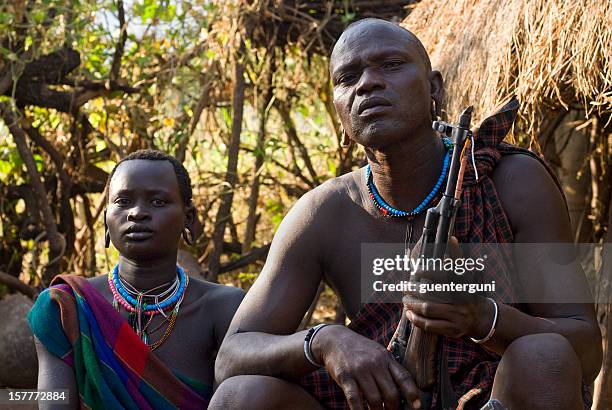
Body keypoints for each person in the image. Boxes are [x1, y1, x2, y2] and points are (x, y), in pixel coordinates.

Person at [210, 18, 602, 410]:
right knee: (241, 396)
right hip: (382, 401)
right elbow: (232, 357)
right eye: (347, 77)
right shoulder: (325, 213)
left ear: (434, 87)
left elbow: (585, 350)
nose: (367, 83)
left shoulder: (510, 181)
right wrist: (325, 341)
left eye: (391, 65)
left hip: (498, 398)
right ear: (339, 111)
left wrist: (485, 319)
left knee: (543, 356)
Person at [28, 149, 244, 409]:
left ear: (189, 219)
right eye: (123, 201)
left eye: (157, 202)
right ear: (107, 220)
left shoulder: (226, 308)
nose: (137, 213)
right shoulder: (65, 308)